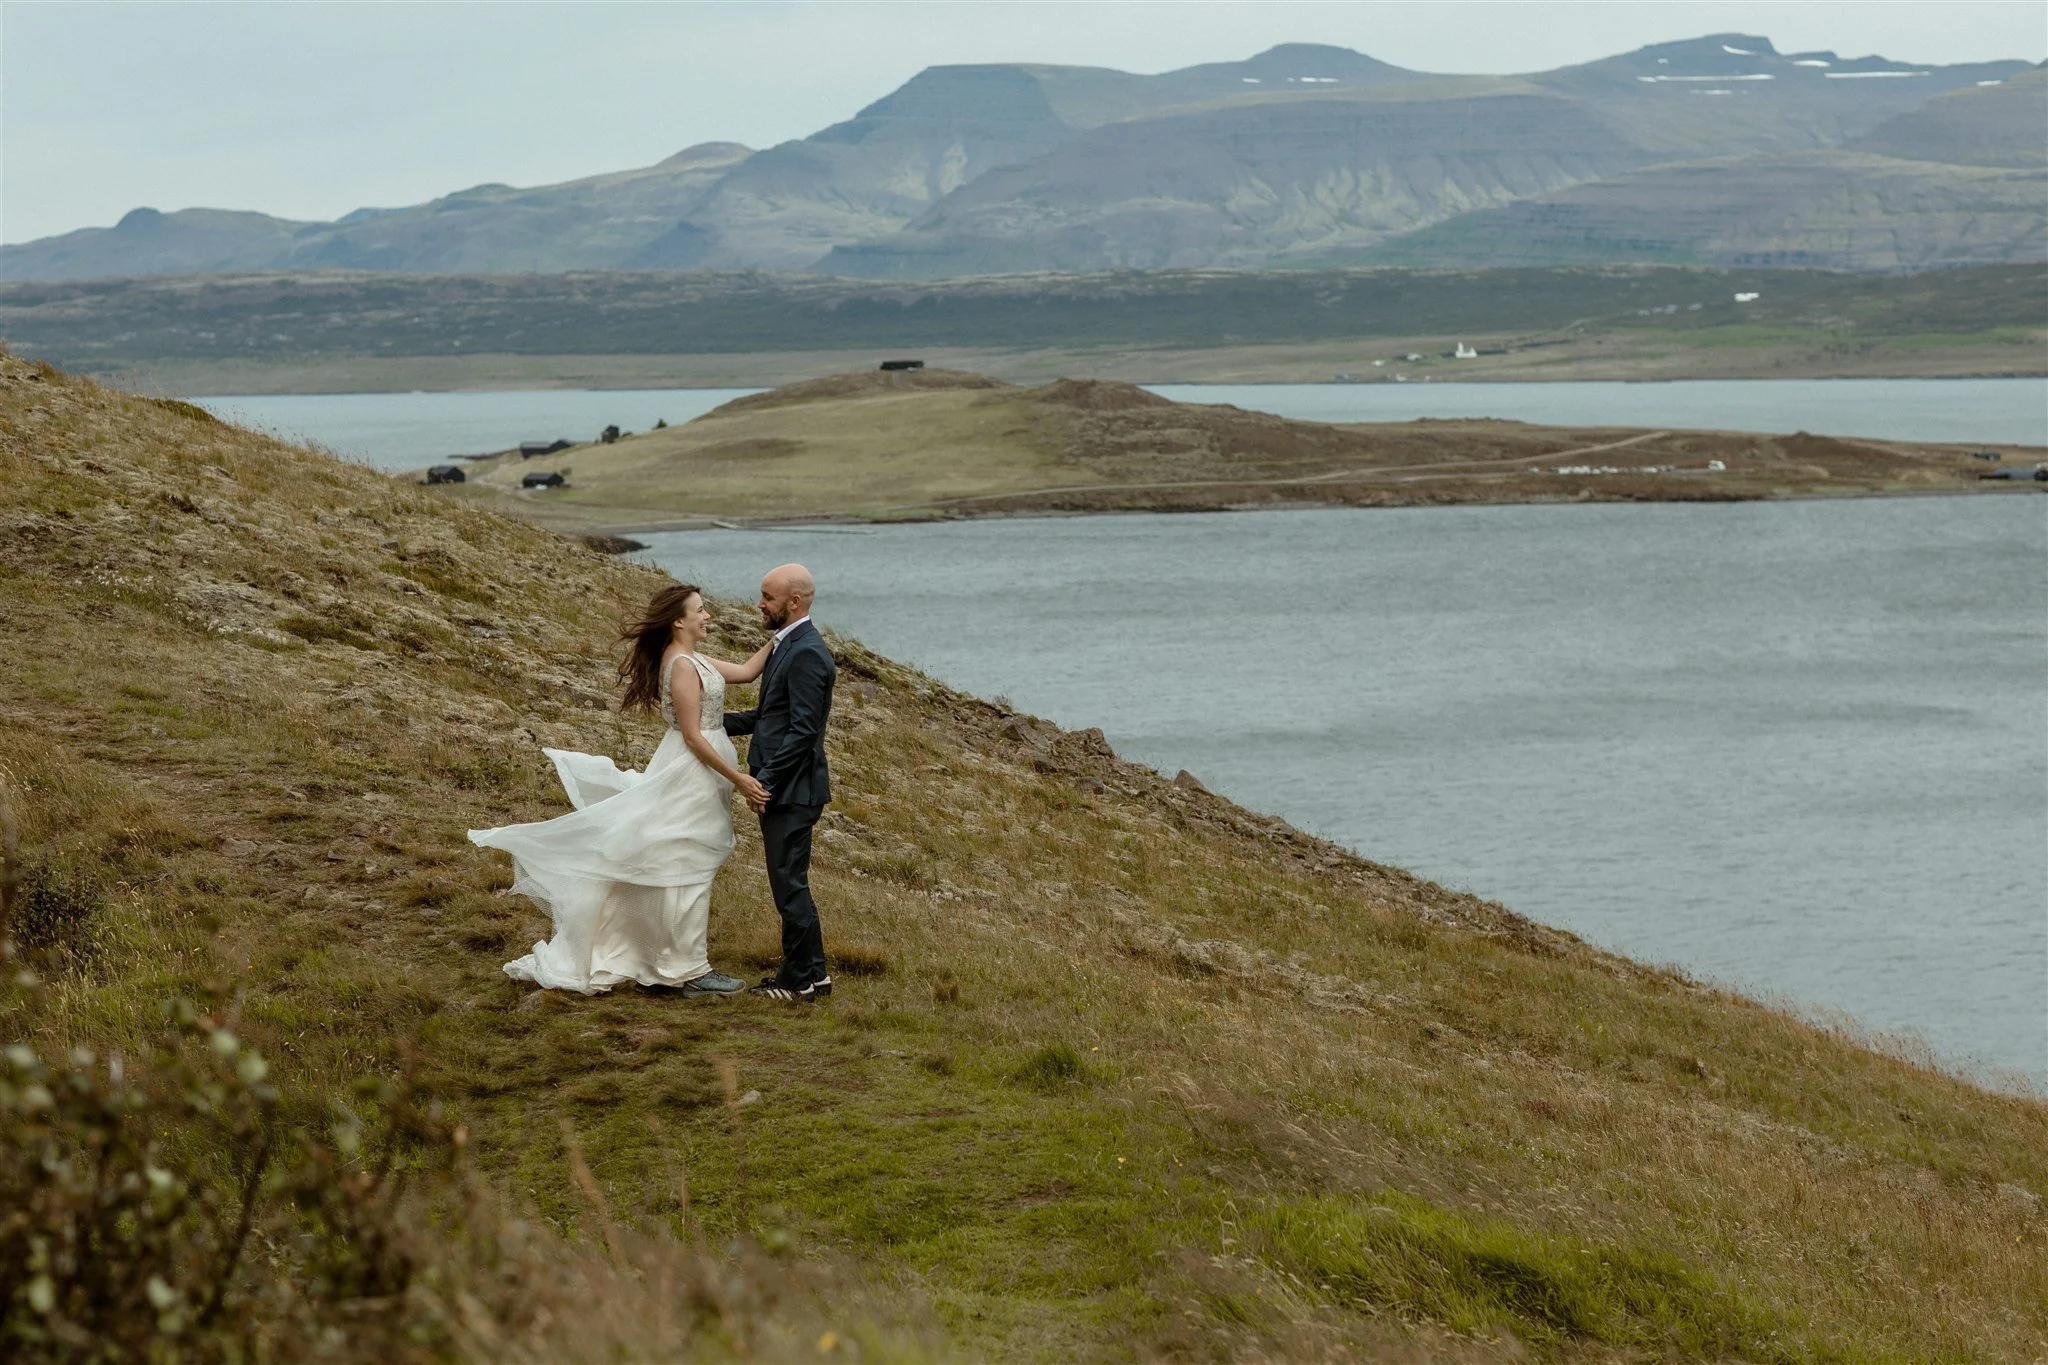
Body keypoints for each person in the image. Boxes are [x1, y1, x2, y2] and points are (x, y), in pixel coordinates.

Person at [469, 584, 770, 996]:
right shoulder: (681, 665)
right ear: (678, 620)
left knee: (682, 862)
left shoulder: (695, 659)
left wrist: (782, 635)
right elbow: (693, 736)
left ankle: (668, 963)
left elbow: (747, 671)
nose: (708, 616)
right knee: (688, 863)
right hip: (692, 770)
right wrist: (740, 779)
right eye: (700, 610)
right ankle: (691, 970)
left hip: (701, 771)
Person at [724, 564, 837, 1003]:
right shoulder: (786, 644)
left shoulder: (807, 651)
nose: (760, 604)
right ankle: (818, 976)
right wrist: (708, 722)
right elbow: (769, 718)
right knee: (792, 884)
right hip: (788, 787)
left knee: (790, 888)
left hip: (793, 790)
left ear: (794, 601)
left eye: (767, 597)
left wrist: (763, 781)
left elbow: (804, 731)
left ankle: (796, 982)